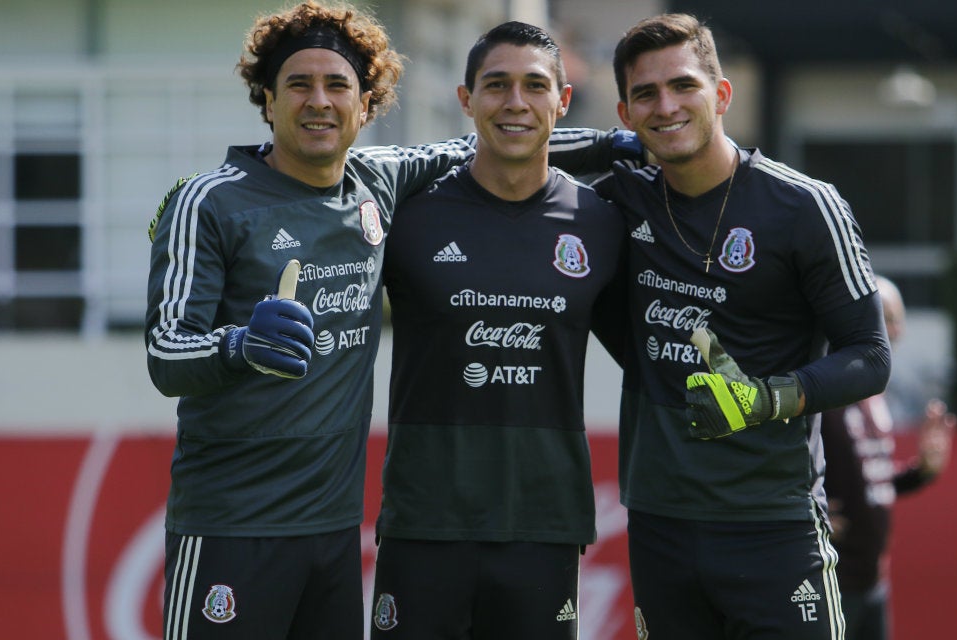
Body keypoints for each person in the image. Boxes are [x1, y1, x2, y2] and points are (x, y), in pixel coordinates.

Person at [143, 2, 481, 638]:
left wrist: (622, 143)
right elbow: (167, 355)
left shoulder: (375, 182)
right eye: (299, 84)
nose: (318, 100)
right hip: (230, 529)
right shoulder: (208, 202)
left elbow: (491, 139)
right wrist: (240, 344)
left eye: (337, 85)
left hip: (332, 534)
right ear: (267, 102)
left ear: (366, 104)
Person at [582, 13, 892, 639]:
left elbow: (870, 356)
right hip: (659, 524)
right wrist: (603, 148)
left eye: (683, 86)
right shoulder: (619, 201)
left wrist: (768, 397)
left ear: (721, 94)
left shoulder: (805, 205)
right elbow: (514, 147)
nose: (666, 106)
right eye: (646, 94)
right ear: (625, 114)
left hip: (772, 524)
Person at [369, 21, 626, 639]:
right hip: (424, 523)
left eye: (536, 86)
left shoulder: (602, 222)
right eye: (497, 85)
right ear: (466, 100)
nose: (516, 102)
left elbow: (655, 352)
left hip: (543, 525)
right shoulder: (408, 215)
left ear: (563, 102)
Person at [821, 276, 956, 640]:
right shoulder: (826, 389)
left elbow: (872, 483)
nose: (896, 329)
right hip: (831, 579)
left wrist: (921, 472)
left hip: (873, 581)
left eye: (899, 318)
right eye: (888, 317)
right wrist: (808, 509)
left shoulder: (873, 396)